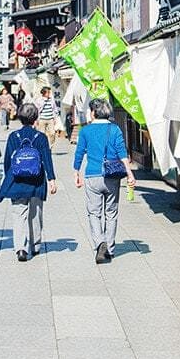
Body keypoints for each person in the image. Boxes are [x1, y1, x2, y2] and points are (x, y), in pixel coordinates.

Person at [73, 97, 137, 264]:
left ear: (94, 112)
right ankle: (109, 247)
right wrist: (130, 174)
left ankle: (99, 243)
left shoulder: (85, 131)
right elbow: (123, 153)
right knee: (111, 213)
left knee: (94, 213)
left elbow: (79, 153)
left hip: (92, 175)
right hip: (112, 177)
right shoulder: (114, 129)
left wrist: (76, 173)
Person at [0, 102, 56, 262]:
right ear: (35, 118)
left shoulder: (13, 137)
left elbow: (8, 161)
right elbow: (47, 159)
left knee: (18, 214)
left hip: (17, 181)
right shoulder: (41, 137)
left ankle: (21, 248)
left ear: (20, 117)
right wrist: (51, 179)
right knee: (35, 213)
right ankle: (35, 246)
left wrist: (9, 177)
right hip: (36, 181)